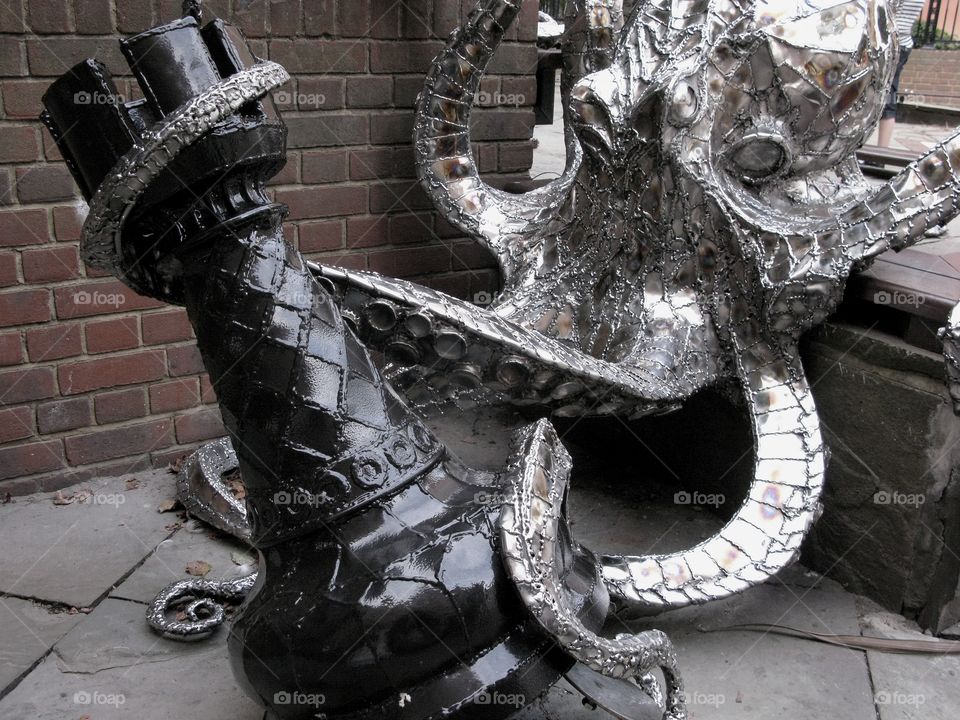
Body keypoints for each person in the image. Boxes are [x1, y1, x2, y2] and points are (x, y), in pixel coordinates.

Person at [878, 0, 927, 146]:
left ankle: (879, 155)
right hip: (902, 44)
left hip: (890, 44)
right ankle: (880, 154)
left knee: (885, 99)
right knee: (888, 97)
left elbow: (885, 14)